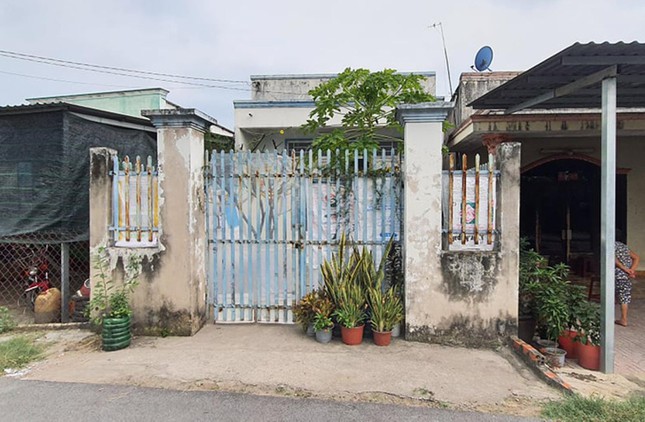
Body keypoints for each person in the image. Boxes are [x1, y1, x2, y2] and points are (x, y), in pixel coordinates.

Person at [615, 239, 640, 326]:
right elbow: (636, 257)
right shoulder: (623, 246)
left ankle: (623, 319)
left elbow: (614, 260)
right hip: (626, 275)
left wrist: (625, 269)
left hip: (618, 274)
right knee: (624, 296)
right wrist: (631, 270)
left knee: (616, 296)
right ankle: (623, 318)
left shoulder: (611, 246)